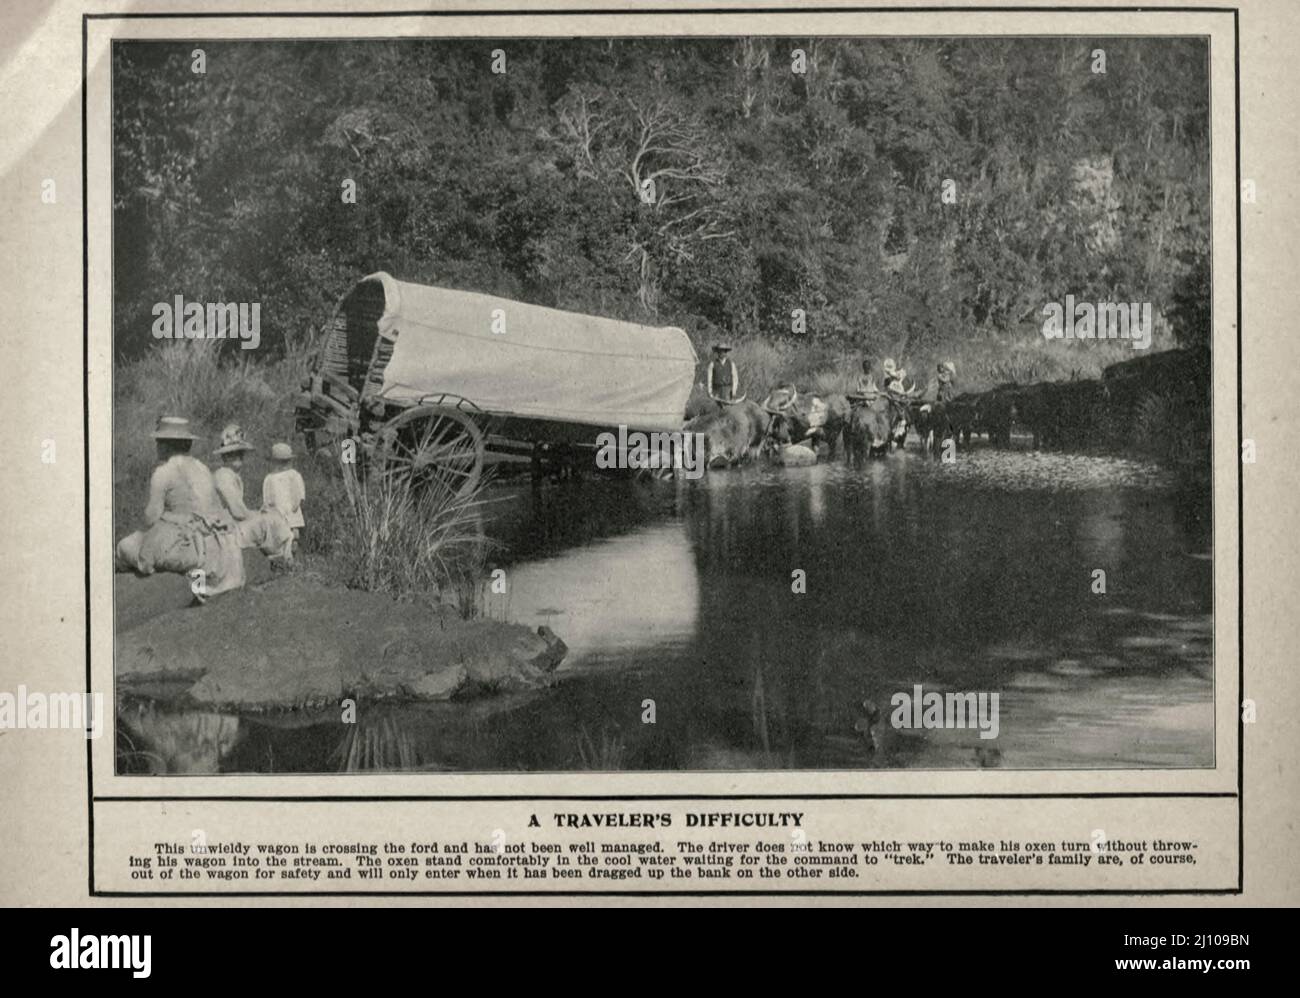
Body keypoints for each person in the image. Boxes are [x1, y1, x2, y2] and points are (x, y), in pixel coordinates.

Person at [114, 416, 245, 602]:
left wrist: (165, 519)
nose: (157, 447)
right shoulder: (202, 467)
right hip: (219, 545)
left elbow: (151, 518)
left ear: (166, 445)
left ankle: (189, 586)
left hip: (187, 545)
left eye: (159, 442)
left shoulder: (164, 472)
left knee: (125, 546)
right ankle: (201, 582)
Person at [212, 423, 294, 563]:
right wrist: (258, 515)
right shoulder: (223, 476)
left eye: (240, 453)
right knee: (268, 520)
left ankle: (282, 554)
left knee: (273, 515)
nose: (237, 457)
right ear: (224, 457)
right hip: (224, 530)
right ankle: (282, 557)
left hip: (231, 526)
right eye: (231, 454)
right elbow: (238, 512)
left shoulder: (231, 475)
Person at [262, 442, 306, 557]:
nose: (282, 466)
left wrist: (293, 508)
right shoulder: (270, 478)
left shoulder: (293, 476)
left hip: (290, 514)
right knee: (280, 540)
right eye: (280, 462)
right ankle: (282, 563)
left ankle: (291, 560)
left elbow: (298, 495)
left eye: (285, 462)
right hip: (278, 515)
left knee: (293, 538)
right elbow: (268, 500)